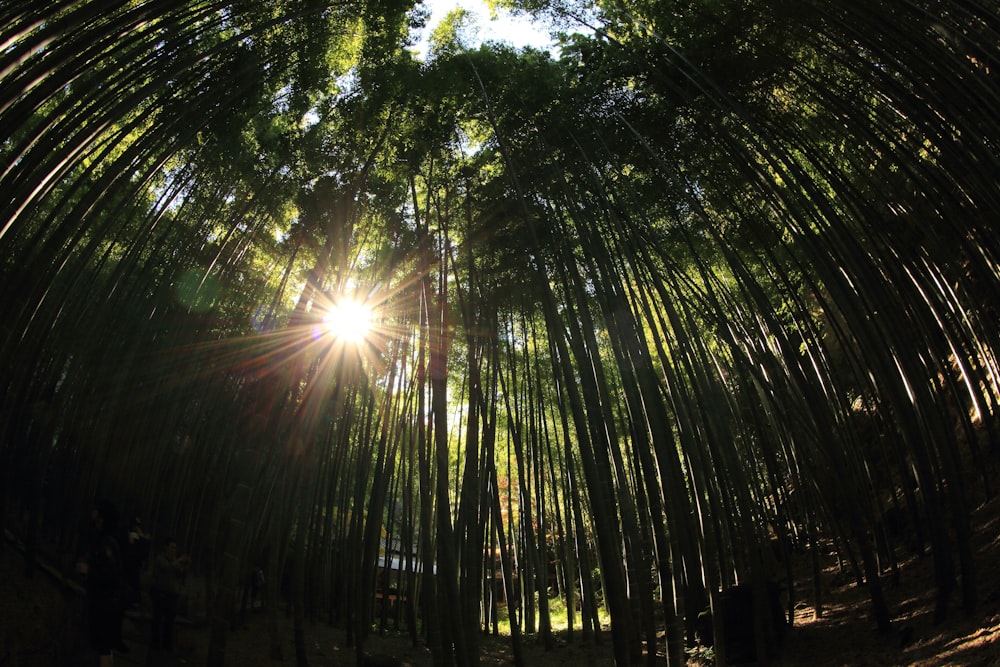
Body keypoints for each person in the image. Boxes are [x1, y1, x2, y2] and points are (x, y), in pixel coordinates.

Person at [76, 498, 123, 667]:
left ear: (103, 517)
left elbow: (111, 575)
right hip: (100, 601)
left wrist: (89, 571)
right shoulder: (101, 539)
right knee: (101, 647)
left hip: (104, 604)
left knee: (103, 648)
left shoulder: (108, 544)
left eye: (97, 511)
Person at [149, 537, 191, 652]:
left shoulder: (175, 561)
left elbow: (180, 574)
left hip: (172, 596)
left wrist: (185, 567)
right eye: (172, 547)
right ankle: (155, 644)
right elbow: (168, 568)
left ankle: (167, 645)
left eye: (175, 548)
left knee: (170, 621)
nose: (174, 550)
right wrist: (179, 561)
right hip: (160, 593)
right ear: (166, 547)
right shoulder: (160, 558)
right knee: (157, 620)